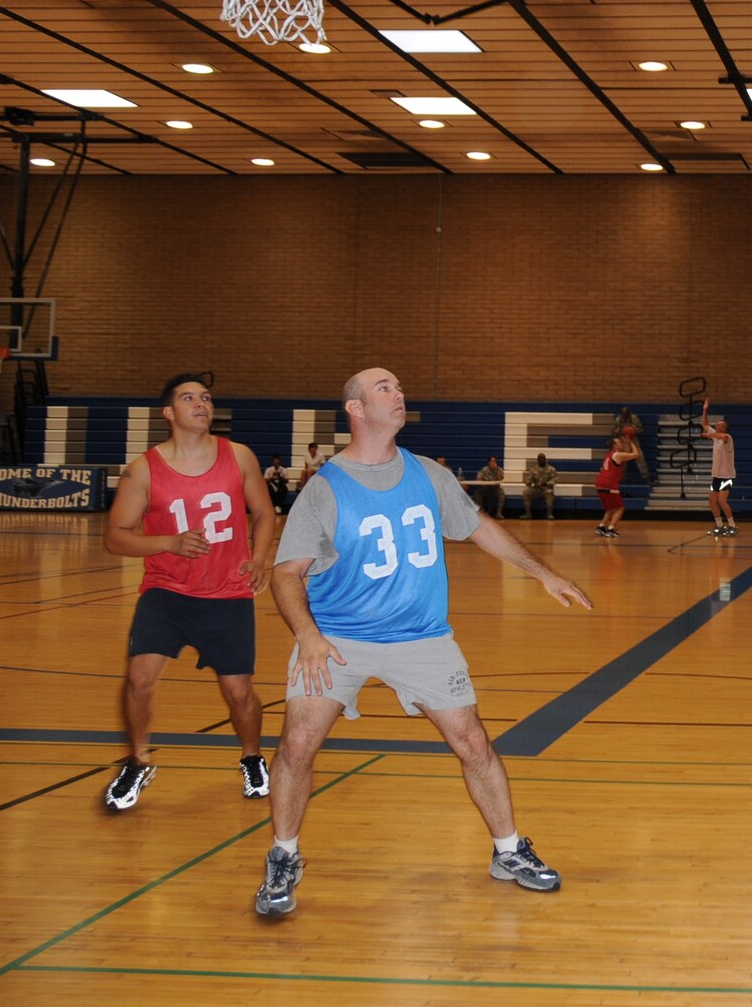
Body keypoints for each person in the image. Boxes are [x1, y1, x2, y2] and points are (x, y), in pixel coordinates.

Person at [252, 367, 593, 917]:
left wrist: (541, 572)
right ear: (356, 409)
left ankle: (508, 851)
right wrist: (307, 635)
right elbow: (286, 573)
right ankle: (283, 856)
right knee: (295, 747)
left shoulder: (428, 473)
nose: (399, 393)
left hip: (421, 637)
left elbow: (478, 526)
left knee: (474, 743)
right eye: (384, 388)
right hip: (337, 638)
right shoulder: (325, 487)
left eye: (399, 387)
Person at [101, 373, 279, 811]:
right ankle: (138, 761)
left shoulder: (238, 456)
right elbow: (115, 537)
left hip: (227, 593)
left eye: (206, 397)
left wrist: (259, 560)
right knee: (139, 679)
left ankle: (252, 757)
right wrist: (169, 542)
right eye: (188, 398)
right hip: (167, 591)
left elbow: (264, 513)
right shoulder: (143, 470)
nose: (201, 404)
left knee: (239, 692)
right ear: (168, 412)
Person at [699, 399, 738, 536]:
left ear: (725, 428)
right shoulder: (716, 438)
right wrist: (705, 410)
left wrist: (709, 434)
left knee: (722, 501)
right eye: (717, 425)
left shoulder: (727, 438)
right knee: (712, 500)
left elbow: (720, 435)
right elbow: (704, 424)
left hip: (727, 476)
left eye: (720, 425)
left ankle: (732, 526)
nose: (718, 426)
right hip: (716, 476)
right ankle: (720, 525)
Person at [595, 430, 639, 538]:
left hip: (599, 482)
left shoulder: (609, 455)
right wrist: (631, 441)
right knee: (620, 508)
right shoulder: (617, 455)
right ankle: (611, 528)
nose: (621, 443)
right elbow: (635, 455)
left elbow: (627, 454)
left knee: (610, 508)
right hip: (609, 483)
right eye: (618, 442)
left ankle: (601, 526)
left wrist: (628, 443)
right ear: (614, 446)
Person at [522, 454, 557, 520]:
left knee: (550, 493)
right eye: (540, 459)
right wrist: (528, 482)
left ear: (545, 460)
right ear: (538, 460)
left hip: (546, 489)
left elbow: (554, 480)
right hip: (536, 489)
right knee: (526, 491)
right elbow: (529, 478)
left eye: (543, 459)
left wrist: (546, 483)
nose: (542, 460)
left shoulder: (551, 469)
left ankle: (549, 514)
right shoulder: (533, 469)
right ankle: (528, 513)